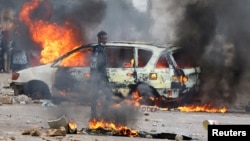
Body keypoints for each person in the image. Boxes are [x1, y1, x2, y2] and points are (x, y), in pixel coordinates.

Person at [90, 31, 112, 119]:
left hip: (101, 76)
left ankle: (101, 113)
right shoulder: (97, 49)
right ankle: (96, 114)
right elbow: (94, 63)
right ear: (99, 39)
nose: (105, 40)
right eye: (104, 38)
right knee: (97, 95)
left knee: (104, 94)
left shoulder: (101, 49)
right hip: (98, 77)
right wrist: (95, 76)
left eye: (106, 38)